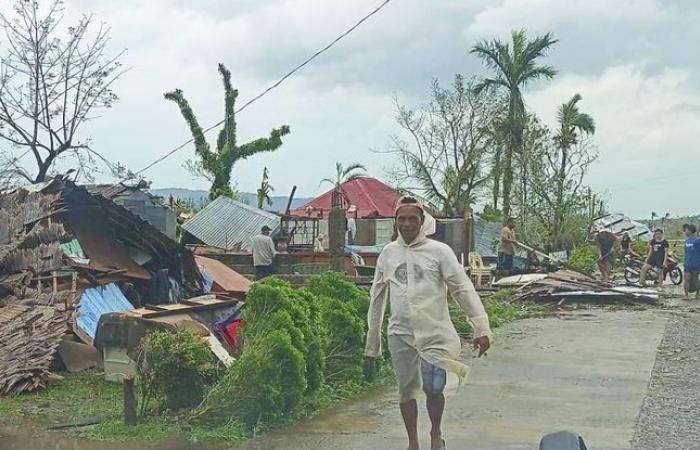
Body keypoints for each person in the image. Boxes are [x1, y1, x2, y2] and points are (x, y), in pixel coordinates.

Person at [365, 196, 492, 450]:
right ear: (395, 222)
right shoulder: (388, 254)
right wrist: (372, 343)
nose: (407, 224)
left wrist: (481, 327)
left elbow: (463, 289)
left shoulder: (439, 252)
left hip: (434, 333)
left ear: (422, 221)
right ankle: (413, 442)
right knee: (406, 391)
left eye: (413, 219)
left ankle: (435, 433)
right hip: (400, 334)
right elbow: (377, 297)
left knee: (434, 388)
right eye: (402, 219)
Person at [683, 224, 700, 299]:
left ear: (690, 231)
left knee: (696, 280)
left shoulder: (698, 241)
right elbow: (686, 252)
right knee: (687, 278)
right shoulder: (686, 241)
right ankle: (686, 295)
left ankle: (698, 293)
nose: (685, 232)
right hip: (687, 264)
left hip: (696, 264)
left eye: (686, 230)